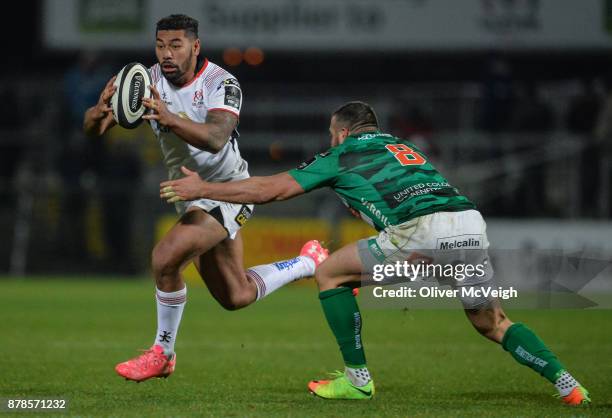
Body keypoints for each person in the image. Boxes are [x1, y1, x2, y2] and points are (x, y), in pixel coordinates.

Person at [160, 101, 590, 406]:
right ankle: (569, 385)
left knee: (329, 273)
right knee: (492, 322)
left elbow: (272, 189)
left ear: (343, 132)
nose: (332, 140)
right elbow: (397, 193)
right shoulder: (404, 148)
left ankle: (358, 381)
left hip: (420, 232)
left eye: (332, 134)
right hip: (468, 224)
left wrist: (203, 189)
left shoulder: (344, 153)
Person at [83, 14, 328, 382]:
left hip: (227, 190)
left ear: (195, 47)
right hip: (190, 194)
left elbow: (215, 136)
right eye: (161, 45)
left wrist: (169, 117)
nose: (166, 54)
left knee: (165, 259)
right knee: (236, 295)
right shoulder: (143, 81)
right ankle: (308, 262)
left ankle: (162, 353)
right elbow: (94, 130)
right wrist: (102, 108)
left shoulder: (221, 83)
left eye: (176, 45)